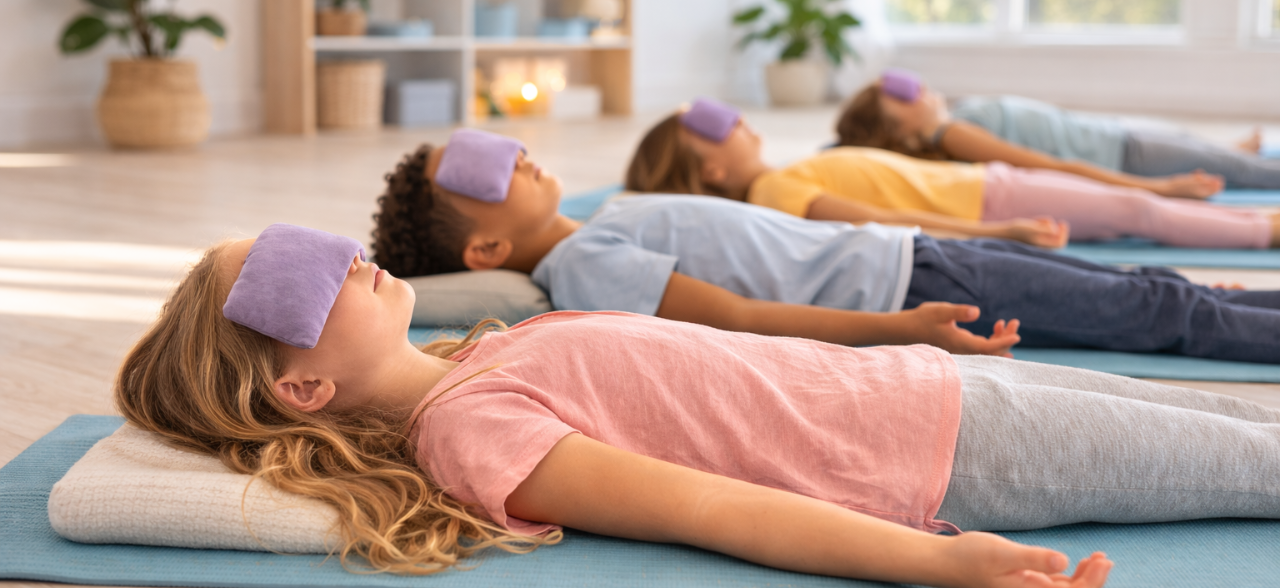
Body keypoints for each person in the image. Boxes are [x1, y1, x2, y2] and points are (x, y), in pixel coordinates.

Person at [118, 223, 1280, 586]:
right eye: (296, 282)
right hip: (954, 449)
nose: (340, 255)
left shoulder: (491, 349)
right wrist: (938, 565)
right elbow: (707, 508)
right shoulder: (469, 429)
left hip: (939, 385)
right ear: (302, 387)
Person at [372, 131, 1280, 363]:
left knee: (1153, 287)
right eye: (482, 172)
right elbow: (740, 319)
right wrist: (900, 329)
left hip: (910, 249)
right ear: (486, 248)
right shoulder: (580, 266)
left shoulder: (603, 219)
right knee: (1154, 308)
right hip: (907, 284)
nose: (513, 154)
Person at [625, 101, 1280, 250]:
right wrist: (998, 232)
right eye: (716, 127)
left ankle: (1259, 223)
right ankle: (1263, 232)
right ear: (711, 168)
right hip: (988, 201)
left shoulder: (789, 170)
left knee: (1124, 208)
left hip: (989, 186)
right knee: (1134, 213)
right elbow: (879, 220)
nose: (738, 120)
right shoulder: (772, 191)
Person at [837, 77, 1280, 193]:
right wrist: (1159, 189)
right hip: (1125, 156)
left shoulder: (956, 118)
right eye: (902, 99)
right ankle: (1229, 155)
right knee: (1254, 174)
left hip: (1114, 134)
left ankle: (1223, 148)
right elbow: (1051, 167)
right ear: (899, 133)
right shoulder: (954, 135)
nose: (917, 90)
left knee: (1203, 145)